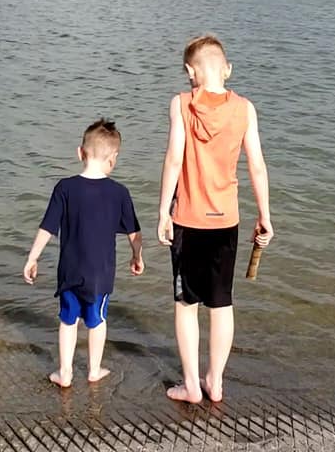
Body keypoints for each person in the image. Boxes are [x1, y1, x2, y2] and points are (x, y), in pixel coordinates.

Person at [157, 35, 273, 403]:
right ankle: (215, 381)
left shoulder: (181, 104)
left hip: (188, 220)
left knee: (186, 304)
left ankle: (191, 385)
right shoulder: (245, 109)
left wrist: (162, 211)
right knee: (222, 303)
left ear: (190, 71)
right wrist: (265, 215)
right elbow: (257, 165)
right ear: (227, 69)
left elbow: (173, 159)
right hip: (226, 222)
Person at [24, 118, 144, 388]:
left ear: (80, 153)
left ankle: (65, 372)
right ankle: (94, 370)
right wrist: (137, 256)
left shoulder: (64, 188)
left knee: (67, 320)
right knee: (96, 320)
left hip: (69, 271)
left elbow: (47, 227)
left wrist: (33, 258)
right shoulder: (119, 193)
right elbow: (134, 232)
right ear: (113, 159)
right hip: (100, 275)